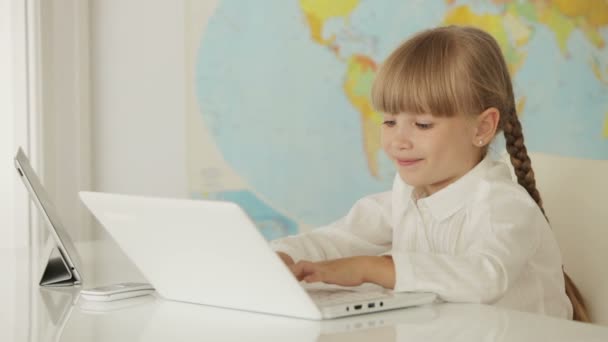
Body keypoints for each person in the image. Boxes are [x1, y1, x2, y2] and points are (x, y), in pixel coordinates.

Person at [270, 25, 589, 321]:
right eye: (390, 121)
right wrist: (285, 255)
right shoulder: (408, 192)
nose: (398, 140)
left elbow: (483, 277)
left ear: (482, 127)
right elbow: (344, 236)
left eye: (422, 124)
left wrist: (374, 267)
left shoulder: (503, 205)